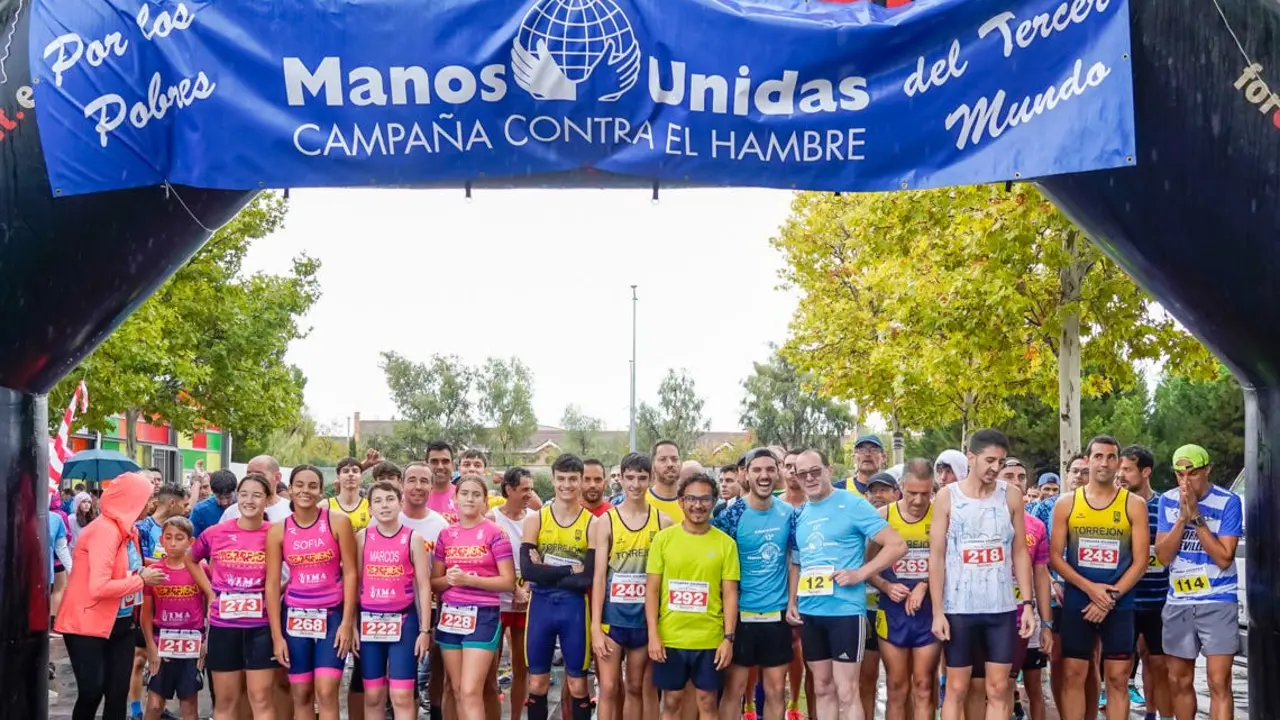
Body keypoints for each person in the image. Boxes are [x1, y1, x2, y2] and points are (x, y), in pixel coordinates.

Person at [788, 448, 906, 720]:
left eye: (815, 471)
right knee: (822, 687)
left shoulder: (852, 504)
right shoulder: (801, 513)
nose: (810, 478)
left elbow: (897, 545)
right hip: (811, 611)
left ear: (829, 471)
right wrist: (792, 600)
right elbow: (797, 561)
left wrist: (860, 574)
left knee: (847, 690)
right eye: (802, 474)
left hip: (844, 611)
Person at [928, 429, 1035, 720]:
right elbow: (936, 556)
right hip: (958, 609)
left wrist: (1028, 604)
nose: (995, 468)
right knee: (957, 687)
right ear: (971, 458)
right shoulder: (947, 497)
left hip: (1000, 609)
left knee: (999, 688)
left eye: (999, 462)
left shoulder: (1010, 496)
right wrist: (937, 611)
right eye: (989, 460)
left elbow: (1020, 553)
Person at [1050, 436, 1149, 720]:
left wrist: (1109, 597)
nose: (1104, 463)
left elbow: (1141, 561)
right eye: (1098, 456)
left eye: (1110, 457)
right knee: (1073, 674)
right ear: (1088, 460)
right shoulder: (1067, 503)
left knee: (1118, 678)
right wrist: (1091, 590)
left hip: (1119, 602)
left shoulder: (1133, 504)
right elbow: (1056, 556)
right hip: (1079, 601)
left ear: (1118, 462)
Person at [56, 472, 166, 720]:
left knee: (118, 693)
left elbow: (128, 566)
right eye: (147, 499)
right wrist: (141, 580)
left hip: (122, 623)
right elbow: (99, 587)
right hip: (87, 625)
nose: (151, 505)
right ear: (131, 500)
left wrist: (159, 566)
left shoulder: (130, 530)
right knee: (92, 692)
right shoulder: (105, 531)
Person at [1154, 445, 1241, 720]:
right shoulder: (1167, 501)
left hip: (1218, 599)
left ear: (1207, 470)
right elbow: (1165, 556)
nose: (1185, 481)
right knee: (1178, 680)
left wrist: (1197, 518)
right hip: (1179, 601)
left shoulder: (1228, 502)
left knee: (1219, 682)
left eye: (1192, 474)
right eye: (1179, 474)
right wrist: (1182, 519)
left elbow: (1224, 557)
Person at [266, 465, 359, 720]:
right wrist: (277, 636)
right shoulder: (278, 529)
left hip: (332, 616)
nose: (305, 490)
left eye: (312, 486)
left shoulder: (337, 521)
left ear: (321, 490)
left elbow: (351, 573)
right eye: (299, 485)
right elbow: (273, 583)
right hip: (294, 617)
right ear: (291, 488)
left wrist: (347, 623)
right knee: (302, 694)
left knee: (327, 692)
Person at [645, 472, 740, 720]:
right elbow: (652, 590)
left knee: (708, 703)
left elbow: (730, 594)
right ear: (681, 501)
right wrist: (653, 636)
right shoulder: (663, 540)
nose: (698, 505)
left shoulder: (725, 544)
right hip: (671, 638)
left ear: (713, 502)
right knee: (672, 701)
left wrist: (728, 639)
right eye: (691, 498)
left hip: (709, 640)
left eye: (705, 499)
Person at [712, 449, 794, 720]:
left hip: (776, 616)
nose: (764, 475)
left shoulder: (788, 513)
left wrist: (793, 602)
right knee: (733, 690)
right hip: (739, 617)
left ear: (778, 472)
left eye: (770, 469)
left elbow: (795, 559)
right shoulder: (729, 516)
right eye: (757, 470)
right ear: (745, 474)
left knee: (775, 692)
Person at [592, 452, 672, 720]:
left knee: (637, 687)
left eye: (641, 478)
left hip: (643, 621)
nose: (635, 484)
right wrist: (594, 627)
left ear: (650, 479)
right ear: (621, 479)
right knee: (609, 688)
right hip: (612, 621)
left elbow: (666, 578)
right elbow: (599, 577)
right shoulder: (607, 521)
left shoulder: (663, 522)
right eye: (630, 478)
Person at [195, 473, 279, 720]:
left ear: (267, 499)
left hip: (261, 628)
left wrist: (275, 591)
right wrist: (210, 592)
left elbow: (289, 572)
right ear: (236, 497)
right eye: (244, 494)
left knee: (261, 699)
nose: (249, 500)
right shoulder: (216, 532)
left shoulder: (276, 533)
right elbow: (191, 559)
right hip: (224, 627)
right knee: (226, 701)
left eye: (256, 495)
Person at [431, 474, 516, 720]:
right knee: (456, 689)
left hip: (483, 615)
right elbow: (435, 582)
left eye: (476, 494)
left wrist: (471, 580)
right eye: (465, 493)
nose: (470, 498)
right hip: (450, 616)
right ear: (455, 498)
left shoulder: (495, 533)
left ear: (485, 502)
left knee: (470, 691)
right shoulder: (446, 535)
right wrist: (450, 580)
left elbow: (508, 582)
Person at [521, 453, 596, 720]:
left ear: (581, 482)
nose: (567, 485)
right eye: (561, 478)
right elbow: (529, 571)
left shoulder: (592, 523)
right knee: (537, 683)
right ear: (552, 479)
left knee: (578, 685)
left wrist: (546, 571)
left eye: (573, 479)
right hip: (540, 605)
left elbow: (586, 579)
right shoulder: (536, 519)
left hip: (574, 608)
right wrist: (567, 570)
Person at [868, 460, 941, 720]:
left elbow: (950, 564)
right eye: (912, 493)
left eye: (926, 493)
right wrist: (886, 586)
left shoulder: (941, 514)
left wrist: (924, 585)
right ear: (900, 488)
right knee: (897, 688)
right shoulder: (884, 516)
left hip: (929, 611)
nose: (919, 500)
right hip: (893, 612)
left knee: (923, 687)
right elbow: (868, 568)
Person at [357, 480, 433, 720]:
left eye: (390, 499)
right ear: (370, 509)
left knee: (401, 695)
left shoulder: (413, 538)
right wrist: (350, 625)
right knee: (373, 696)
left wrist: (424, 630)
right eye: (377, 501)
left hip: (404, 622)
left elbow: (423, 585)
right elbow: (354, 583)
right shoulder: (362, 537)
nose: (384, 506)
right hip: (369, 624)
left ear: (401, 503)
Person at [985, 458, 1054, 720]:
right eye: (1009, 476)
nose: (1016, 482)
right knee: (994, 689)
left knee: (1033, 687)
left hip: (1025, 619)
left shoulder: (1035, 526)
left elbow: (1041, 575)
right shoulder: (982, 516)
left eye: (1021, 477)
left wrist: (1046, 623)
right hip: (989, 618)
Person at [140, 516, 215, 720]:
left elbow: (210, 606)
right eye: (168, 537)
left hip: (192, 643)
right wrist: (151, 648)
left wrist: (205, 641)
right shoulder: (154, 572)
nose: (173, 543)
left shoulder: (200, 569)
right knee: (154, 705)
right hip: (161, 641)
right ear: (161, 539)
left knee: (188, 706)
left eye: (179, 538)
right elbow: (145, 615)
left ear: (190, 542)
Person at [1119, 445, 1173, 720]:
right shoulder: (1114, 504)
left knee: (1159, 665)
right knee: (1118, 670)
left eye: (1127, 469)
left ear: (1146, 471)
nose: (1121, 475)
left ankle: (1157, 715)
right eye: (1120, 469)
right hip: (1123, 601)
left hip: (1158, 601)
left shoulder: (1164, 505)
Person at [396, 461, 451, 720]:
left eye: (423, 481)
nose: (418, 487)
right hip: (394, 608)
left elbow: (444, 573)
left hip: (432, 608)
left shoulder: (440, 525)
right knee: (399, 675)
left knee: (435, 669)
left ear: (432, 486)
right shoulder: (385, 518)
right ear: (402, 484)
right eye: (412, 480)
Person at [131, 485, 189, 718]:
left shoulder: (181, 528)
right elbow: (136, 561)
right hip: (144, 599)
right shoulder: (143, 527)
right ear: (172, 503)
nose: (187, 509)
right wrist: (164, 562)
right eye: (184, 505)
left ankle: (157, 707)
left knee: (162, 661)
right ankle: (135, 709)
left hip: (173, 606)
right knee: (139, 658)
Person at [488, 467, 537, 719]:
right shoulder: (492, 518)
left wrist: (525, 589)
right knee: (490, 667)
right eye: (525, 489)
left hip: (524, 601)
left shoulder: (534, 518)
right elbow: (487, 561)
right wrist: (512, 587)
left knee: (521, 666)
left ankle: (517, 716)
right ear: (509, 489)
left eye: (531, 488)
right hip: (497, 601)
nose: (530, 494)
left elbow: (537, 559)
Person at [858, 471, 898, 720]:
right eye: (874, 490)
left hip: (898, 608)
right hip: (867, 609)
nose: (878, 495)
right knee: (867, 678)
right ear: (866, 494)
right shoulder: (858, 523)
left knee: (901, 681)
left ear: (896, 493)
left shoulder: (904, 522)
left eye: (884, 490)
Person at [220, 456, 292, 523]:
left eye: (259, 475)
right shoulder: (232, 512)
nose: (253, 479)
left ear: (277, 477)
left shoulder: (291, 511)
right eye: (249, 475)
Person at [328, 456, 372, 532]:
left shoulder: (370, 506)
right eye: (345, 471)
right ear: (338, 477)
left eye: (355, 471)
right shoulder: (326, 506)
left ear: (361, 478)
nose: (351, 474)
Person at [190, 470, 237, 538]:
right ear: (213, 492)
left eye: (228, 497)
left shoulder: (243, 507)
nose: (224, 502)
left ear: (235, 491)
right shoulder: (200, 511)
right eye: (220, 498)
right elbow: (191, 540)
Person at [649, 440, 685, 523]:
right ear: (653, 466)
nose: (670, 464)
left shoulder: (693, 503)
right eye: (662, 459)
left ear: (681, 464)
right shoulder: (641, 502)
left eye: (674, 459)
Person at [426, 441, 460, 524]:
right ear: (426, 464)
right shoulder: (416, 497)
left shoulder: (463, 496)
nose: (440, 466)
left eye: (445, 461)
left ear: (452, 465)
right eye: (434, 461)